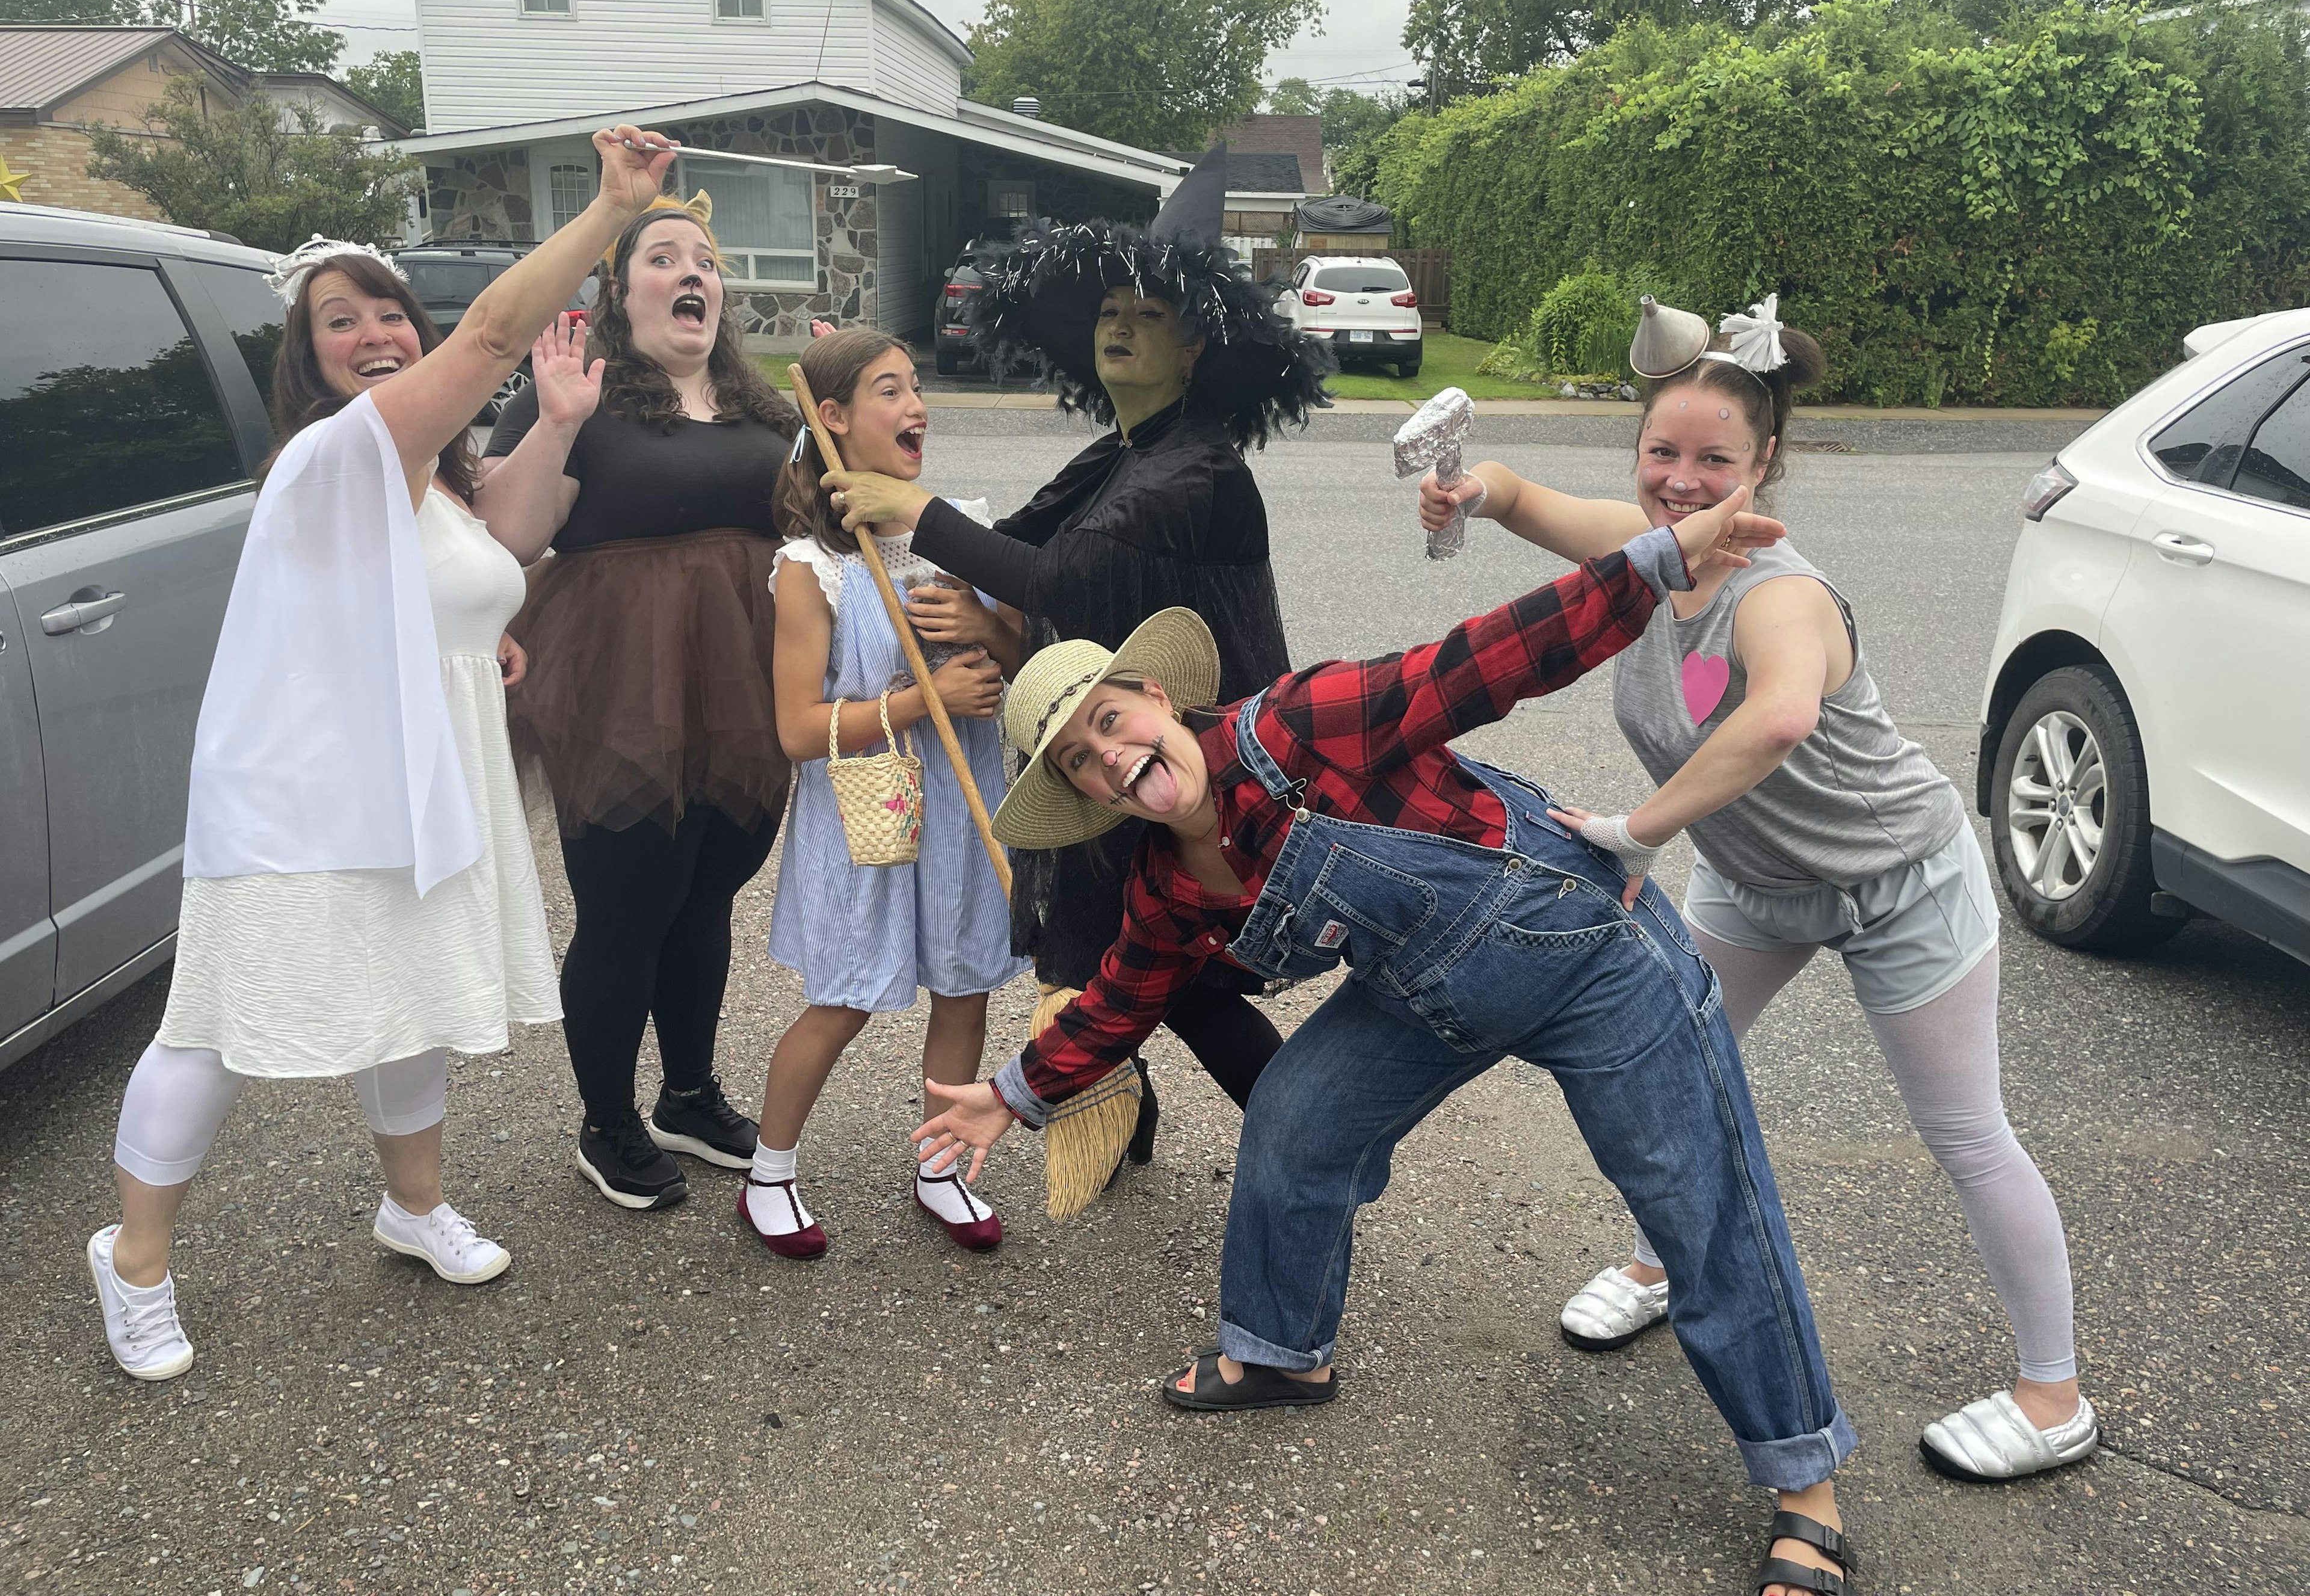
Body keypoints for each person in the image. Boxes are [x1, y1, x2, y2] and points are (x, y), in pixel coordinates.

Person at [913, 491, 1863, 1596]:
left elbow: (1485, 660)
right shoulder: (1168, 883)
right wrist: (1013, 1095)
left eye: (1112, 721)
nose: (1112, 756)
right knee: (1295, 1119)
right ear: (1085, 794)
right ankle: (1279, 1352)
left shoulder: (1294, 727)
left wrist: (1653, 563)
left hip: (1586, 951)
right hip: (1427, 991)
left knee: (1698, 1201)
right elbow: (1123, 996)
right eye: (1082, 759)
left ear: (1156, 698)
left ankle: (1806, 1486)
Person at [1417, 294, 2097, 1487]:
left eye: (1714, 461)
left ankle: (2055, 1398)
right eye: (1661, 452)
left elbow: (1779, 716)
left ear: (1764, 461)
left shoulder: (1782, 591)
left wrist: (1633, 832)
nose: (1681, 481)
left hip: (1900, 881)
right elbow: (1528, 500)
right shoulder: (1645, 552)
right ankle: (1661, 1262)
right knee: (1675, 1075)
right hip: (1753, 880)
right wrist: (1470, 492)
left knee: (1963, 1130)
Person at [89, 126, 676, 1382]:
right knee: (219, 1026)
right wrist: (610, 213)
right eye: (338, 320)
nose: (372, 334)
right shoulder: (333, 456)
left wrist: (556, 427)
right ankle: (133, 1260)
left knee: (415, 1002)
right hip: (301, 794)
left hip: (425, 783)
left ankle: (414, 1208)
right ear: (304, 358)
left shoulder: (431, 478)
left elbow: (505, 546)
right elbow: (493, 336)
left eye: (387, 313)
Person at [820, 144, 1329, 1162]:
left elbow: (1058, 576)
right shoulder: (1125, 450)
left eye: (1149, 315)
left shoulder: (1199, 468)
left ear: (1193, 348)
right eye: (1110, 314)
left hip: (1200, 754)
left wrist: (917, 510)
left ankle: (1310, 1144)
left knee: (1190, 978)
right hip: (1137, 738)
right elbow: (1021, 539)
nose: (1121, 328)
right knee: (1130, 951)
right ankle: (1134, 1123)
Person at [475, 191, 801, 1213]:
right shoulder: (580, 389)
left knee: (708, 894)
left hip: (746, 688)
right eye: (663, 257)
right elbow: (508, 536)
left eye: (704, 258)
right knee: (627, 907)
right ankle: (606, 1120)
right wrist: (556, 422)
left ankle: (688, 1096)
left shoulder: (763, 406)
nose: (691, 271)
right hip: (619, 687)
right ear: (621, 291)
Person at [739, 327, 1029, 1259]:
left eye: (916, 389)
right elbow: (796, 731)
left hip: (965, 808)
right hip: (868, 815)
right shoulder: (810, 569)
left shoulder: (959, 530)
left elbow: (1025, 665)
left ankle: (940, 1170)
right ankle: (768, 1175)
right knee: (845, 1000)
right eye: (890, 391)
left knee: (964, 988)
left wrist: (986, 627)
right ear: (832, 418)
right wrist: (921, 701)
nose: (917, 408)